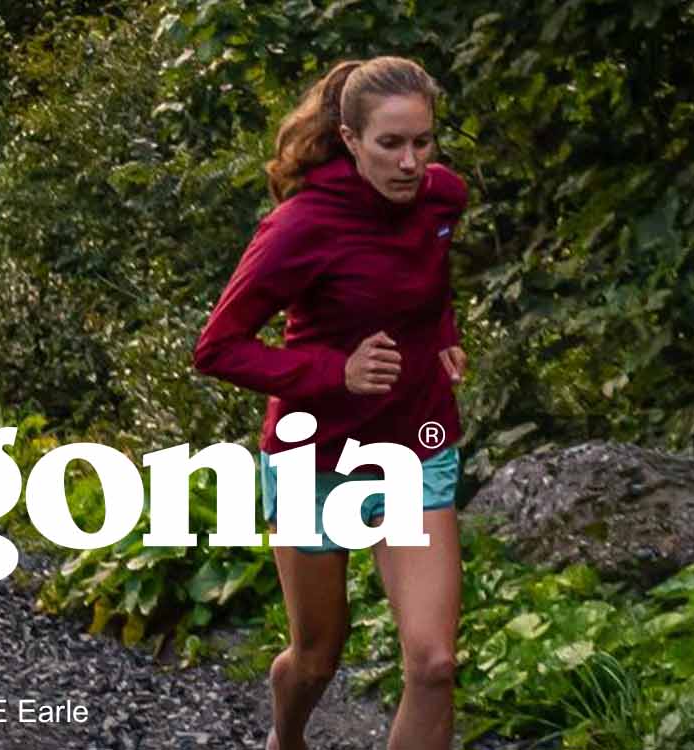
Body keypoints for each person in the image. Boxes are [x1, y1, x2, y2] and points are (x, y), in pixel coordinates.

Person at [189, 55, 472, 750]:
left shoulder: (443, 198)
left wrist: (443, 335)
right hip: (315, 459)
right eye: (390, 144)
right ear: (349, 140)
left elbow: (427, 278)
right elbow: (217, 348)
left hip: (414, 445)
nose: (411, 163)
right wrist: (332, 372)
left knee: (434, 663)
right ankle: (286, 740)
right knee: (317, 656)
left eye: (423, 142)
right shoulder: (300, 226)